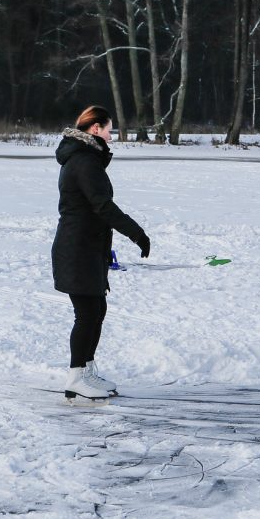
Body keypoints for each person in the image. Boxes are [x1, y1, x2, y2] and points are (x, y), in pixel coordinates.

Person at [51, 106, 152, 402]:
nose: (112, 134)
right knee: (86, 314)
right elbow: (103, 207)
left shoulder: (86, 158)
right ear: (95, 129)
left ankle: (87, 370)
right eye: (109, 128)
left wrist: (105, 249)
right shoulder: (84, 161)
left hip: (87, 247)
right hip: (76, 249)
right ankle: (76, 377)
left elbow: (93, 211)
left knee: (97, 311)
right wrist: (136, 233)